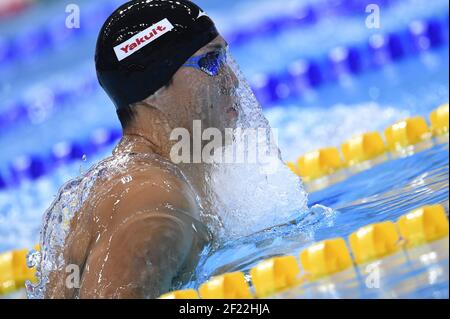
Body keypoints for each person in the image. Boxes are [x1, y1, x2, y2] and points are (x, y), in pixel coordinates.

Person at [39, 0, 242, 299]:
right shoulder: (154, 201)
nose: (232, 81)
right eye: (210, 62)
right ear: (155, 86)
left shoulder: (162, 178)